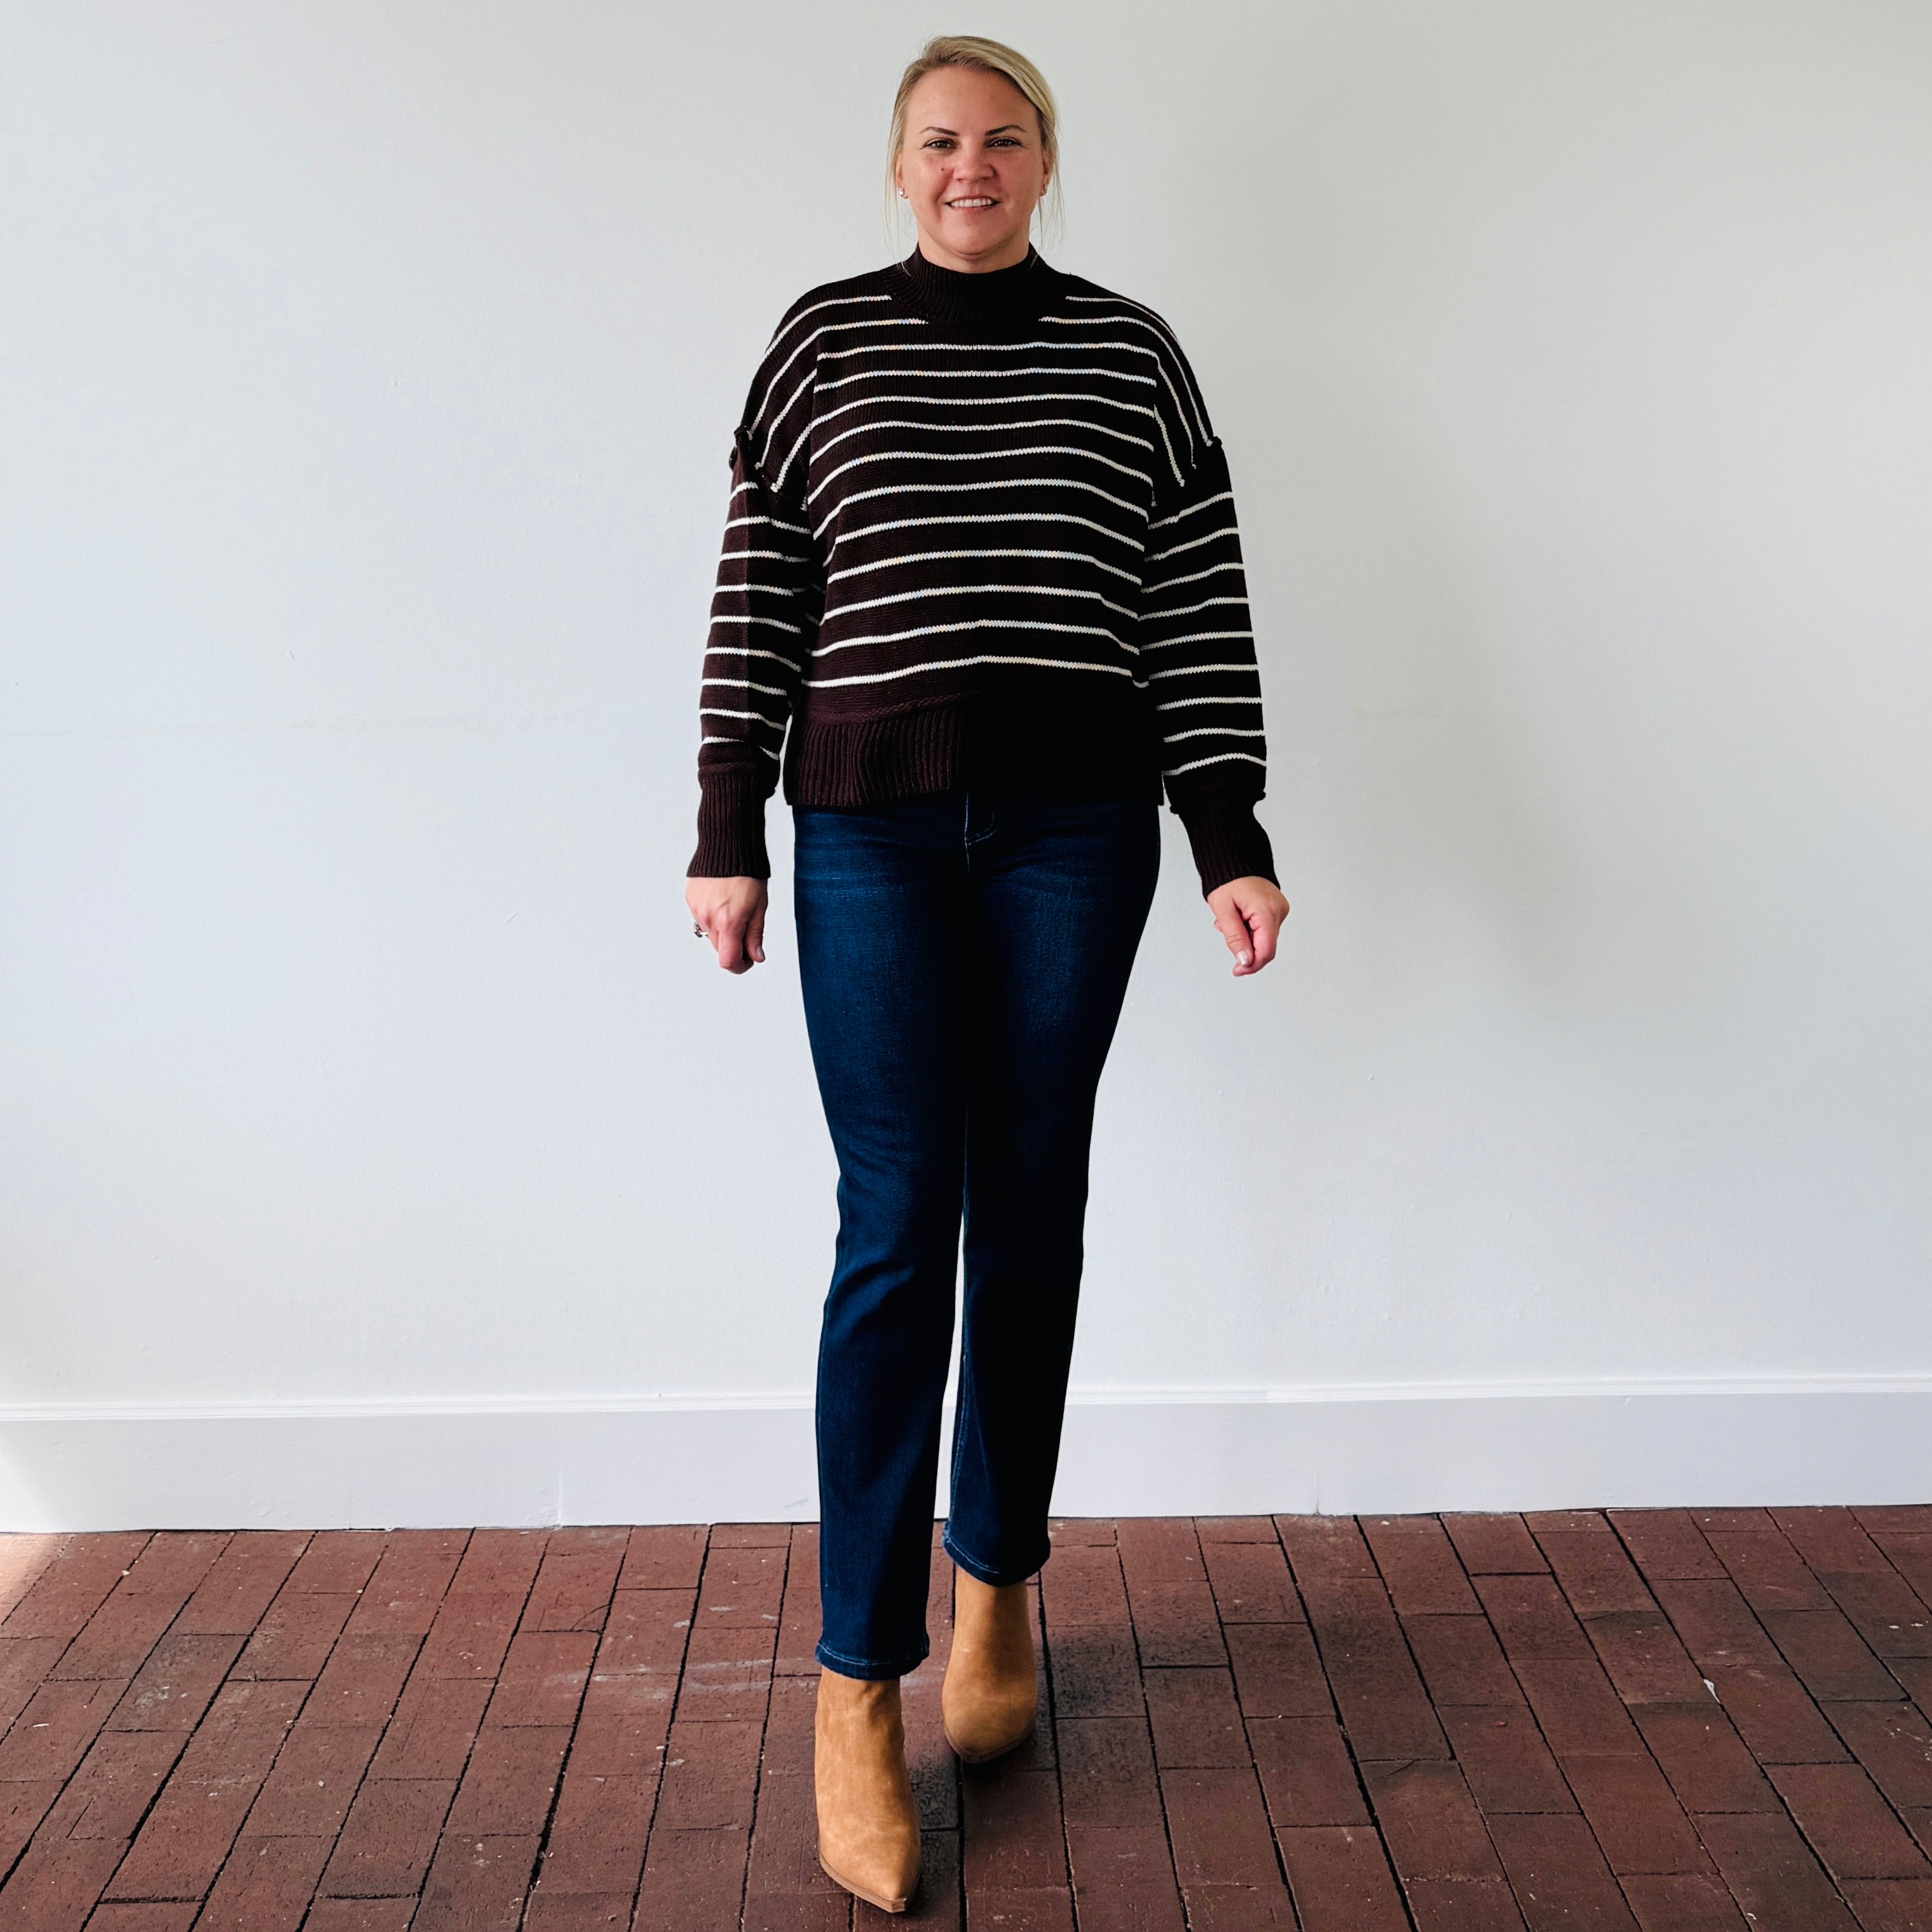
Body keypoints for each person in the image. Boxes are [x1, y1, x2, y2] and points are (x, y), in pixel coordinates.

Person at [684, 34, 1288, 1913]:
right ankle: (859, 1685)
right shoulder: (821, 345)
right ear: (899, 166)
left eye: (1003, 140)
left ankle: (998, 1578)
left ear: (1044, 161)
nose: (973, 166)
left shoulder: (1133, 356)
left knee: (1030, 1209)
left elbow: (1194, 602)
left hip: (1076, 836)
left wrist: (1230, 832)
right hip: (867, 832)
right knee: (896, 1228)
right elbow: (759, 591)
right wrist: (725, 825)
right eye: (940, 140)